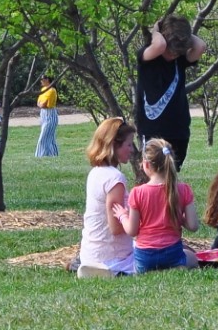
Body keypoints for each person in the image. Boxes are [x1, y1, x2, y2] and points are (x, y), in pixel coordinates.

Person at [119, 137, 199, 271]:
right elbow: (193, 226)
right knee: (192, 257)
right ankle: (176, 266)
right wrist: (179, 216)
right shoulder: (183, 189)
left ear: (146, 164)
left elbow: (132, 231)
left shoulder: (138, 192)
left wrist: (122, 215)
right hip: (172, 254)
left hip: (145, 258)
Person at [137, 14, 204, 171]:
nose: (174, 54)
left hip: (178, 130)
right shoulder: (148, 56)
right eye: (171, 50)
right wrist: (157, 29)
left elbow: (200, 46)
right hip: (152, 130)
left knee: (172, 174)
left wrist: (182, 34)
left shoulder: (179, 60)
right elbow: (159, 45)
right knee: (153, 175)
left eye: (178, 52)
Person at [78, 117, 137, 277]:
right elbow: (116, 228)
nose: (132, 150)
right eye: (129, 145)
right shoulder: (115, 179)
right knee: (181, 256)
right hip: (114, 257)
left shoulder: (95, 173)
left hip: (89, 254)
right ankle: (111, 270)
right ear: (114, 145)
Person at [35, 76, 61, 158]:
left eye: (42, 79)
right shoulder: (43, 90)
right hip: (43, 115)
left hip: (50, 115)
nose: (41, 81)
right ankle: (53, 155)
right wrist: (40, 104)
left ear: (47, 80)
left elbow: (44, 104)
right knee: (51, 138)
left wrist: (41, 104)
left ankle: (39, 156)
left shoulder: (52, 90)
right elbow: (38, 102)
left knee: (43, 137)